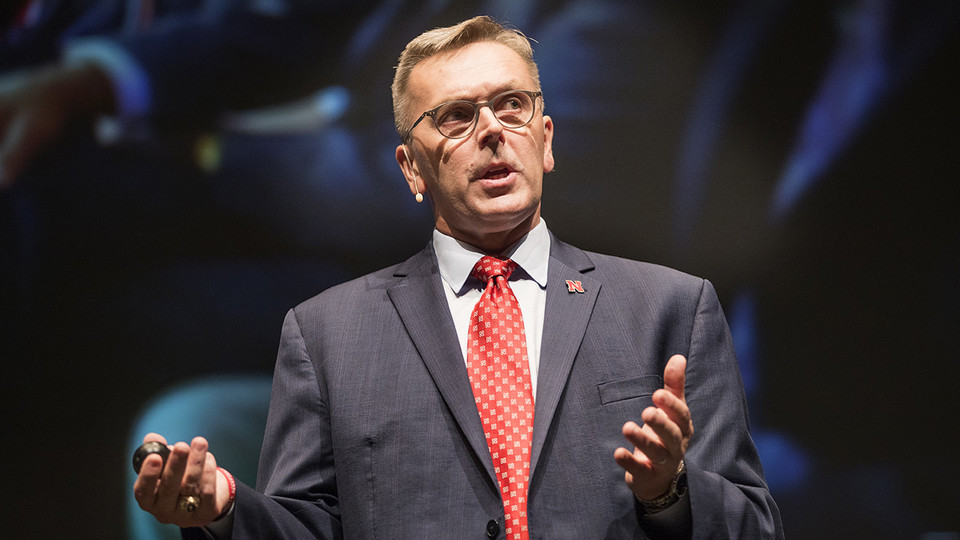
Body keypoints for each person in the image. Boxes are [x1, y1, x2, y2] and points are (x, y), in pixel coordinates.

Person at [133, 15, 783, 538]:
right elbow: (308, 526)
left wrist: (669, 493)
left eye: (512, 106)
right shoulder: (326, 333)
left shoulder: (672, 308)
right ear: (411, 169)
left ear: (546, 141)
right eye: (456, 117)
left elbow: (755, 526)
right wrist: (224, 510)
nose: (493, 131)